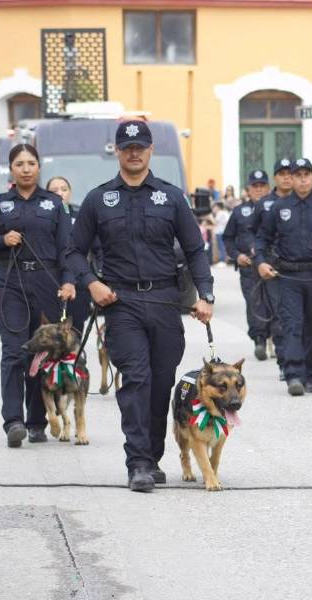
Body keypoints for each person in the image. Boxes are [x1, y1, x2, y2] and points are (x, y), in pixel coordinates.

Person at [66, 121, 214, 492]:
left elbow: (195, 250)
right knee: (136, 379)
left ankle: (153, 456)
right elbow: (73, 252)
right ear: (117, 151)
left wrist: (206, 295)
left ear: (150, 151)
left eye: (140, 147)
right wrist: (92, 283)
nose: (134, 153)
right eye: (127, 147)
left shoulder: (171, 197)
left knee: (161, 383)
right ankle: (138, 462)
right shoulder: (99, 199)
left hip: (164, 300)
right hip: (121, 302)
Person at [0, 144, 76, 447]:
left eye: (31, 163)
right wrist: (1, 240)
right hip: (11, 284)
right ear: (11, 169)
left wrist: (69, 281)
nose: (26, 169)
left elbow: (67, 249)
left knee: (41, 353)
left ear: (39, 167)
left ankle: (36, 422)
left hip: (47, 283)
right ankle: (13, 421)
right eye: (20, 164)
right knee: (14, 352)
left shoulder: (54, 204)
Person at [255, 158, 312, 396]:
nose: (302, 180)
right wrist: (261, 262)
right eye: (298, 175)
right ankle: (294, 374)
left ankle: (311, 375)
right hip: (289, 276)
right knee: (292, 325)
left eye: (306, 175)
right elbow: (262, 238)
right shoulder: (279, 208)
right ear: (290, 179)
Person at [252, 159, 295, 381]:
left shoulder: (305, 202)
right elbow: (256, 235)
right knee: (280, 315)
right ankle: (285, 362)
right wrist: (259, 260)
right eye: (282, 173)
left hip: (299, 268)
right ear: (275, 177)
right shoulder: (264, 204)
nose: (286, 177)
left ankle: (303, 362)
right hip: (273, 268)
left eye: (290, 173)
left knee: (301, 317)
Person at [223, 170, 272, 361]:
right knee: (255, 303)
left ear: (268, 188)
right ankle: (259, 340)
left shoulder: (276, 208)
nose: (258, 189)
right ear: (248, 190)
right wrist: (237, 256)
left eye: (262, 186)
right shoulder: (239, 212)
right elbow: (228, 238)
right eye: (255, 186)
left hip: (271, 264)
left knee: (274, 303)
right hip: (249, 266)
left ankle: (277, 339)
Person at [46, 176, 95, 338]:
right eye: (54, 190)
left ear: (70, 192)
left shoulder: (82, 217)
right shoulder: (41, 219)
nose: (60, 193)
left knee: (74, 334)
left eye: (64, 189)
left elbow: (98, 247)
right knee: (49, 335)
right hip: (49, 280)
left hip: (78, 283)